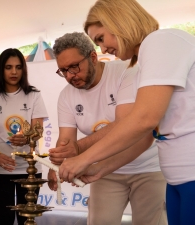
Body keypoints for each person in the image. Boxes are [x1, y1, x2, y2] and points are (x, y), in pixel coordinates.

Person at [58, 0, 195, 224]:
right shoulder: (141, 65)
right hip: (177, 179)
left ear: (118, 21)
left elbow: (143, 119)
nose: (102, 49)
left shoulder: (161, 41)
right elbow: (144, 137)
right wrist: (100, 168)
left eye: (101, 38)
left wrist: (83, 159)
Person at [48, 32, 167, 224]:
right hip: (103, 169)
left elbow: (126, 123)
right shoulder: (66, 96)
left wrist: (80, 150)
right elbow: (67, 141)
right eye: (63, 70)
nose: (70, 76)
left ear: (93, 57)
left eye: (74, 67)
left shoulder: (126, 71)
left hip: (147, 166)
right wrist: (57, 163)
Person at [0, 48, 48, 225]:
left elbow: (38, 131)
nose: (14, 72)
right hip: (0, 168)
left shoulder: (34, 95)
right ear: (1, 69)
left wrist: (27, 138)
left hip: (29, 169)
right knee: (4, 218)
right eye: (8, 67)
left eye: (18, 67)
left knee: (27, 219)